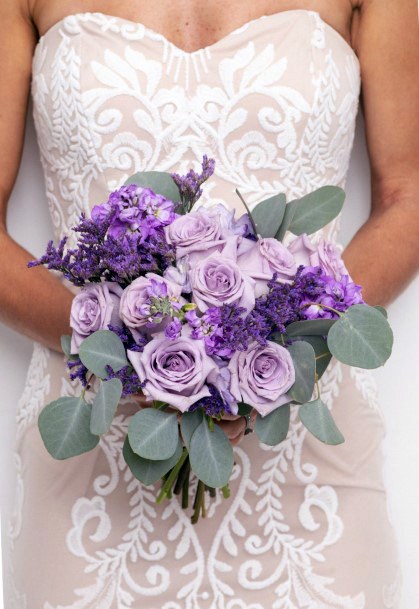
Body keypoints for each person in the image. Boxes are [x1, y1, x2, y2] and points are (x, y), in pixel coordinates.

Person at [1, 0, 418, 607]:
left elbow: (409, 195)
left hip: (306, 468)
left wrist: (285, 337)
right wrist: (122, 343)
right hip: (92, 472)